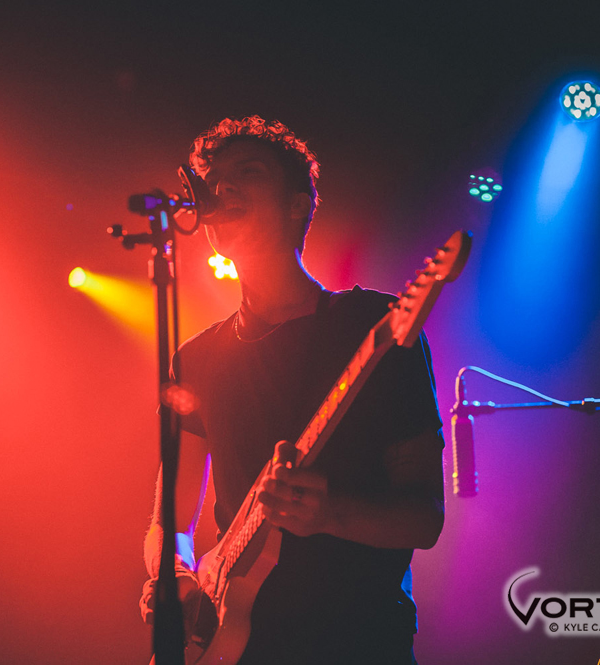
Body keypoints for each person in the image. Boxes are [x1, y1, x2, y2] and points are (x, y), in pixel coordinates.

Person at [139, 116, 445, 664]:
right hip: (239, 647)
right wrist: (177, 576)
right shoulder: (197, 359)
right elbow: (170, 520)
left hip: (360, 644)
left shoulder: (372, 326)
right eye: (215, 179)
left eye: (247, 173)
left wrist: (330, 515)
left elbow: (425, 517)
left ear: (297, 205)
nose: (222, 188)